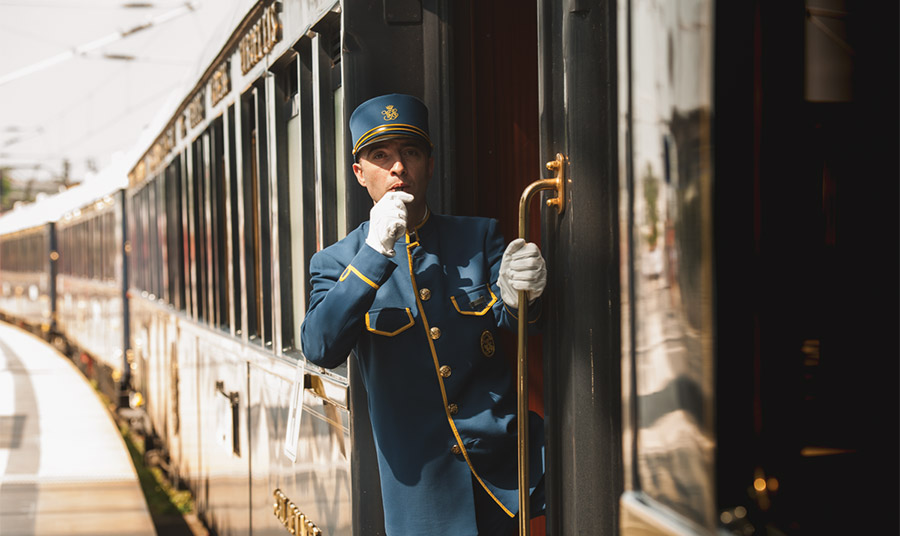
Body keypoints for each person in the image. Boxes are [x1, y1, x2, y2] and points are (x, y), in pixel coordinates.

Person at [300, 93, 547, 535]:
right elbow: (320, 346)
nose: (398, 167)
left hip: (503, 483)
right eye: (381, 156)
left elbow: (516, 326)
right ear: (360, 174)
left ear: (429, 164)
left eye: (410, 152)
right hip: (422, 500)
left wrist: (520, 299)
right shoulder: (338, 262)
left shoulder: (478, 236)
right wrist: (376, 252)